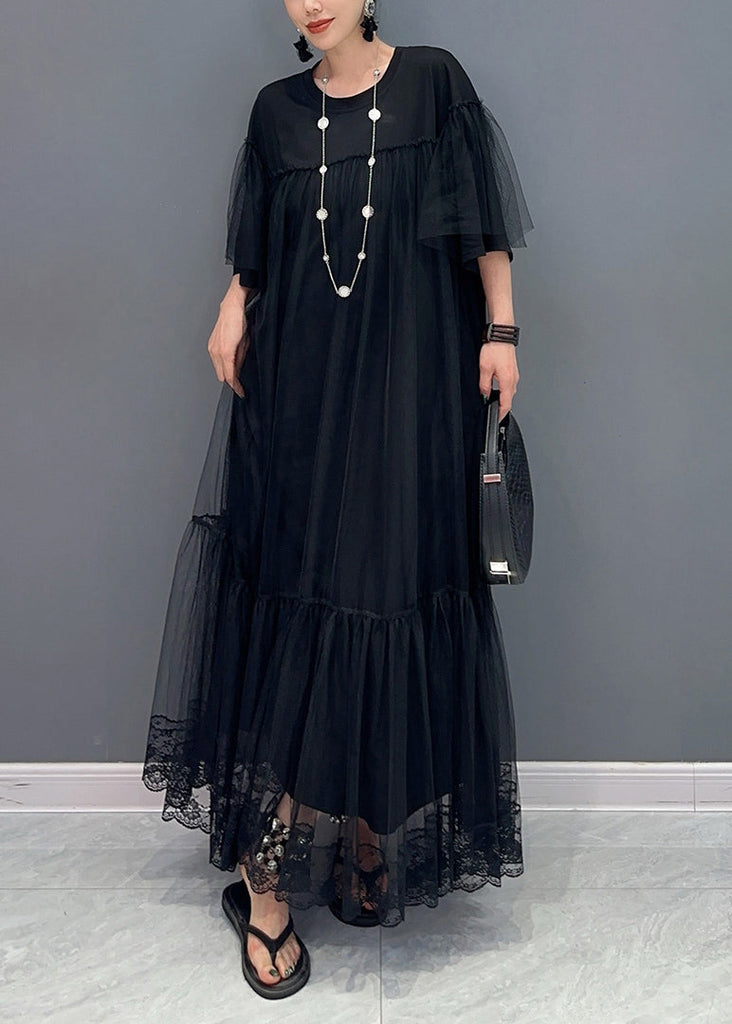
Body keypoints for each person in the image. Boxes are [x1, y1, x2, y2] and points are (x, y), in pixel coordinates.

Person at [141, 0, 534, 1000]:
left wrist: (501, 332)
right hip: (301, 399)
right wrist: (232, 304)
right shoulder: (275, 112)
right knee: (301, 606)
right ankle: (265, 887)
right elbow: (257, 251)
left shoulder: (434, 82)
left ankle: (365, 835)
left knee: (391, 594)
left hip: (412, 398)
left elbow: (484, 228)